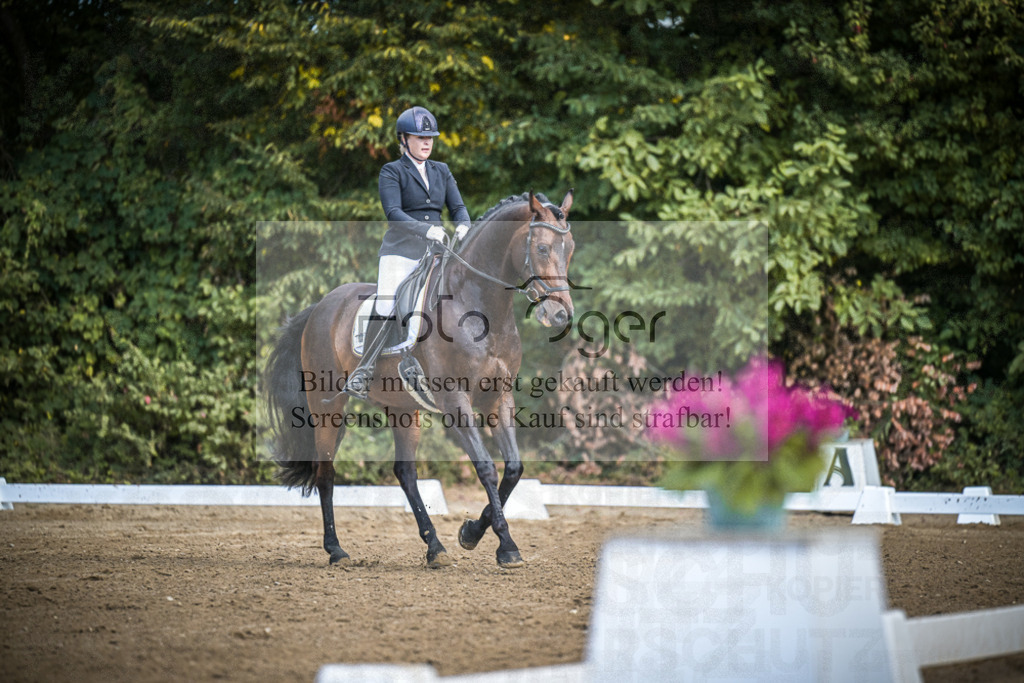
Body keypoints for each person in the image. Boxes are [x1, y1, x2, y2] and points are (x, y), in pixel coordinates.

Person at [344, 105, 471, 398]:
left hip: (438, 253)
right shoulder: (392, 171)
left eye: (430, 138)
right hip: (400, 252)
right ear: (404, 139)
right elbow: (393, 213)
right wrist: (427, 230)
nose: (426, 143)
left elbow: (459, 207)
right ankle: (364, 370)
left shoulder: (442, 170)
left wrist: (463, 226)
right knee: (388, 303)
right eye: (419, 137)